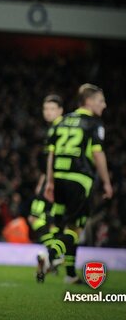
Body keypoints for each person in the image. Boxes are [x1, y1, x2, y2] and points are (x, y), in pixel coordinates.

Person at [38, 84, 113, 284]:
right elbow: (98, 153)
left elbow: (50, 154)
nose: (104, 105)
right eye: (100, 100)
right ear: (88, 101)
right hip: (79, 180)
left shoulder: (61, 122)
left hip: (58, 179)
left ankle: (70, 274)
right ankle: (51, 255)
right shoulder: (93, 123)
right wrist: (106, 182)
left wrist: (50, 181)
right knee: (76, 228)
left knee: (61, 225)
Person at [29, 95, 63, 280]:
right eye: (45, 109)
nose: (47, 112)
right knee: (46, 221)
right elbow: (46, 165)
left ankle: (53, 255)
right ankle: (52, 257)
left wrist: (49, 183)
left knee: (37, 219)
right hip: (48, 182)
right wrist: (41, 182)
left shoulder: (60, 130)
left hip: (55, 184)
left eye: (51, 108)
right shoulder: (51, 131)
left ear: (60, 110)